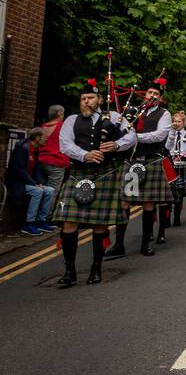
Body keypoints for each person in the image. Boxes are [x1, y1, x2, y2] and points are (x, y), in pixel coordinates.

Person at [53, 81, 135, 286]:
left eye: (90, 98)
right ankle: (70, 271)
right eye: (83, 99)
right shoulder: (71, 120)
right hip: (78, 174)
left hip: (104, 173)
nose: (86, 102)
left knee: (100, 225)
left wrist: (117, 144)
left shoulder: (114, 117)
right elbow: (65, 144)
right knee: (69, 224)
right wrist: (85, 154)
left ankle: (96, 268)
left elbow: (132, 136)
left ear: (99, 100)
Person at [115, 78, 172, 258]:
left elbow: (159, 135)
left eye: (156, 94)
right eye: (149, 93)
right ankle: (118, 244)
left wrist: (135, 137)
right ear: (144, 95)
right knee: (124, 201)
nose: (152, 96)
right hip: (131, 161)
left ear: (160, 98)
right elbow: (122, 132)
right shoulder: (132, 111)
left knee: (148, 203)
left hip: (150, 160)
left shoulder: (164, 114)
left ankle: (145, 243)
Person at [11, 129, 56, 236]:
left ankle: (41, 221)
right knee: (37, 191)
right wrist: (34, 184)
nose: (46, 139)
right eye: (44, 137)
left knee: (50, 190)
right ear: (37, 138)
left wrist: (39, 182)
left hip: (29, 182)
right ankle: (29, 224)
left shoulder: (35, 149)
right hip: (17, 183)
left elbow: (36, 169)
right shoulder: (22, 148)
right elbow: (20, 170)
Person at [166, 111, 186, 229]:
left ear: (184, 123)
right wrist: (171, 134)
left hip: (182, 165)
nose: (176, 123)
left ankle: (177, 217)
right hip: (171, 165)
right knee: (169, 193)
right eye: (174, 121)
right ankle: (167, 219)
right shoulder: (170, 134)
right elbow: (167, 147)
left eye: (179, 121)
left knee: (179, 193)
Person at [37, 105, 70, 203]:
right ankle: (46, 217)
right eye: (63, 113)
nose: (63, 116)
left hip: (41, 161)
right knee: (52, 193)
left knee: (41, 191)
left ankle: (37, 214)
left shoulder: (43, 127)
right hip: (56, 162)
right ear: (59, 113)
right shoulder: (63, 126)